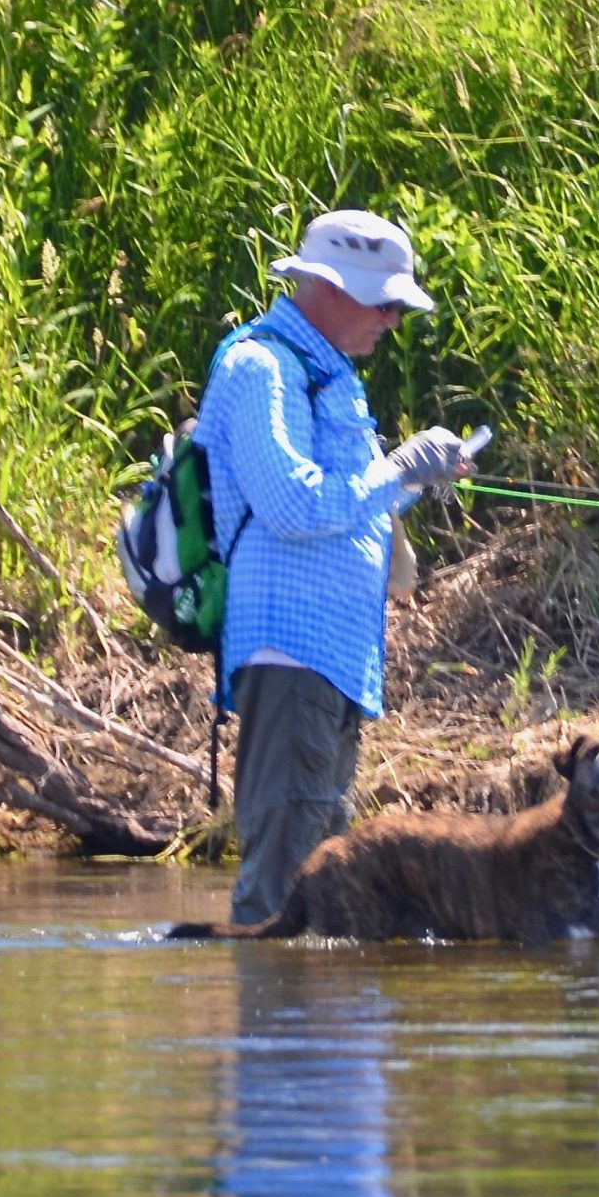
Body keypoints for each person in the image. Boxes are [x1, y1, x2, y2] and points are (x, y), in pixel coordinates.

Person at [194, 208, 471, 927]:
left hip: (335, 665)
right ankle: (276, 1026)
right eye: (385, 305)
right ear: (332, 290)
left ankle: (309, 1031)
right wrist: (398, 468)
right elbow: (290, 502)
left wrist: (414, 476)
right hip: (291, 656)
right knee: (285, 890)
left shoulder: (330, 373)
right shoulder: (263, 367)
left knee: (325, 890)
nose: (392, 322)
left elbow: (348, 503)